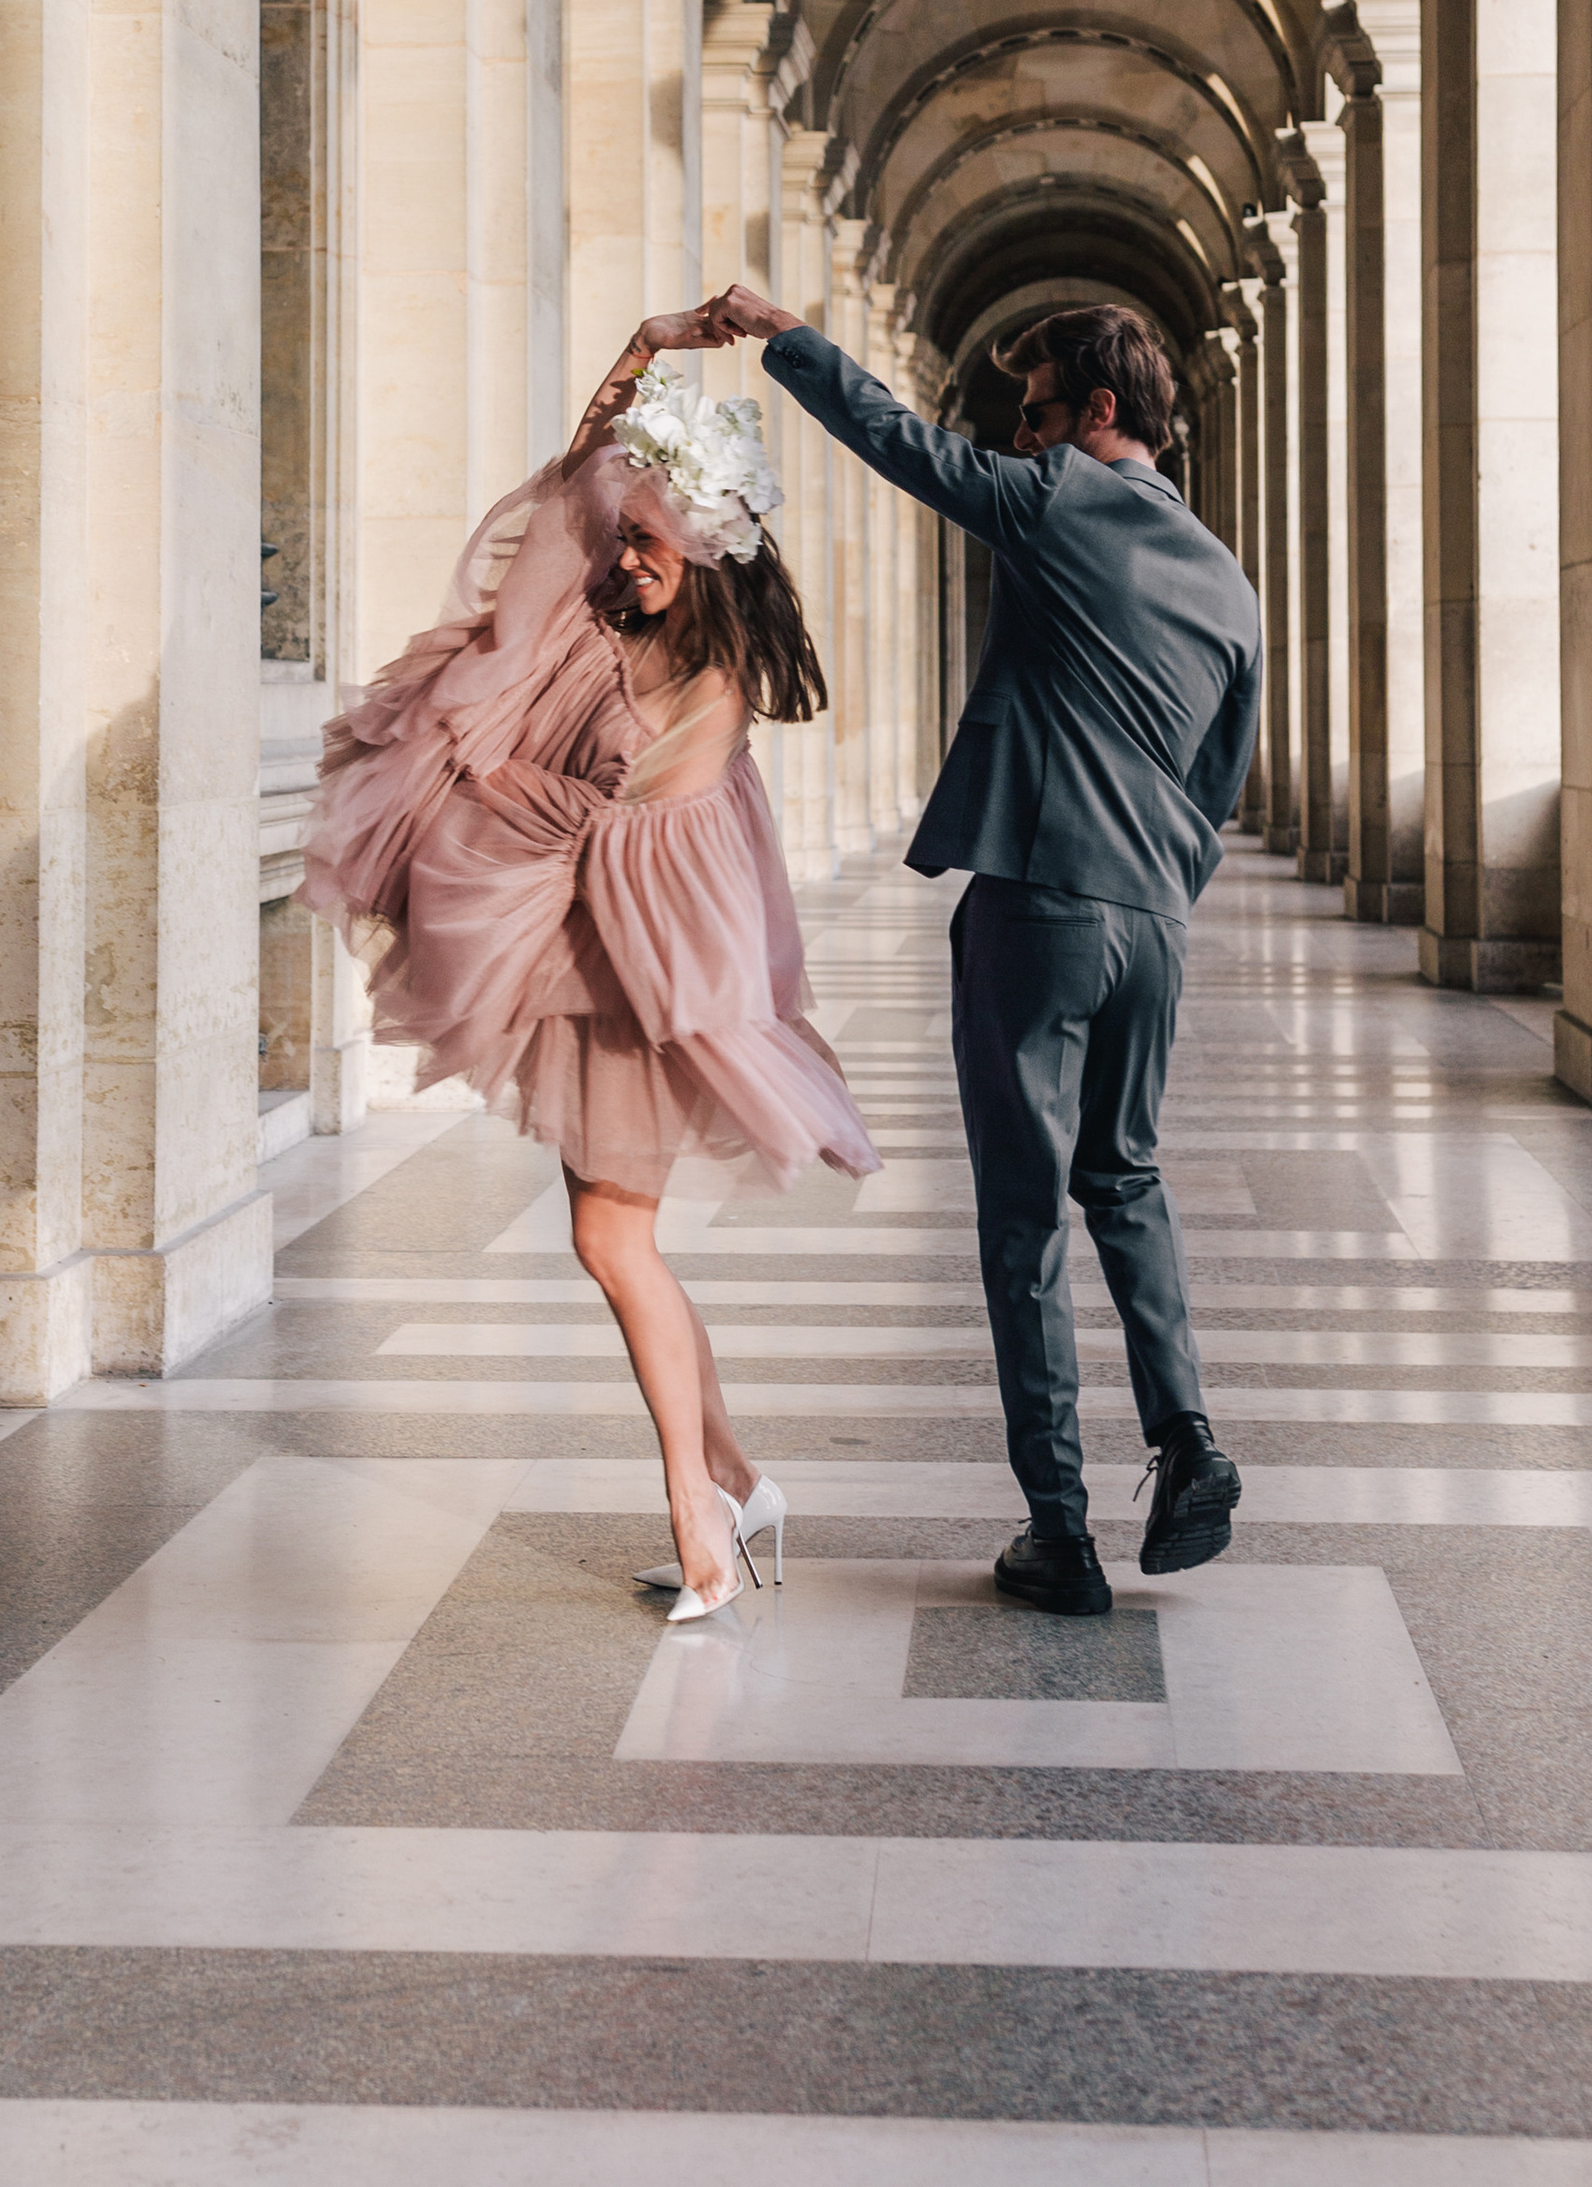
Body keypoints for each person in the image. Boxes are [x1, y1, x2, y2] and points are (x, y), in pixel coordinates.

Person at [302, 311, 878, 1618]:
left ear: (711, 548)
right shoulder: (602, 609)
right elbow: (577, 480)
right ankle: (732, 1485)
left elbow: (636, 856)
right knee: (615, 1240)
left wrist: (497, 792)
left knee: (616, 1243)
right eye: (626, 535)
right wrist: (651, 343)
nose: (628, 556)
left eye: (653, 540)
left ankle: (700, 1520)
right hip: (586, 975)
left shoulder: (711, 688)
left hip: (639, 988)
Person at [705, 282, 1260, 1619]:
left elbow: (900, 441)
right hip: (1153, 922)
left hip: (1040, 906)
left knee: (1023, 1222)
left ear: (1100, 413)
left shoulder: (1058, 502)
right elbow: (1221, 787)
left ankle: (1059, 1531)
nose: (1018, 439)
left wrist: (781, 334)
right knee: (1125, 1181)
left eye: (1037, 412)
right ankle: (1187, 1442)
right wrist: (1152, 885)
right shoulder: (1233, 583)